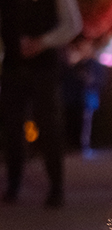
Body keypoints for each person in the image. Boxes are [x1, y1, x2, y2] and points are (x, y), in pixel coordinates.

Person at [0, 0, 83, 207]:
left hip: (44, 68)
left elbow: (72, 24)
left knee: (49, 127)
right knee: (12, 127)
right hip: (12, 67)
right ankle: (13, 184)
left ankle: (56, 187)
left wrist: (43, 42)